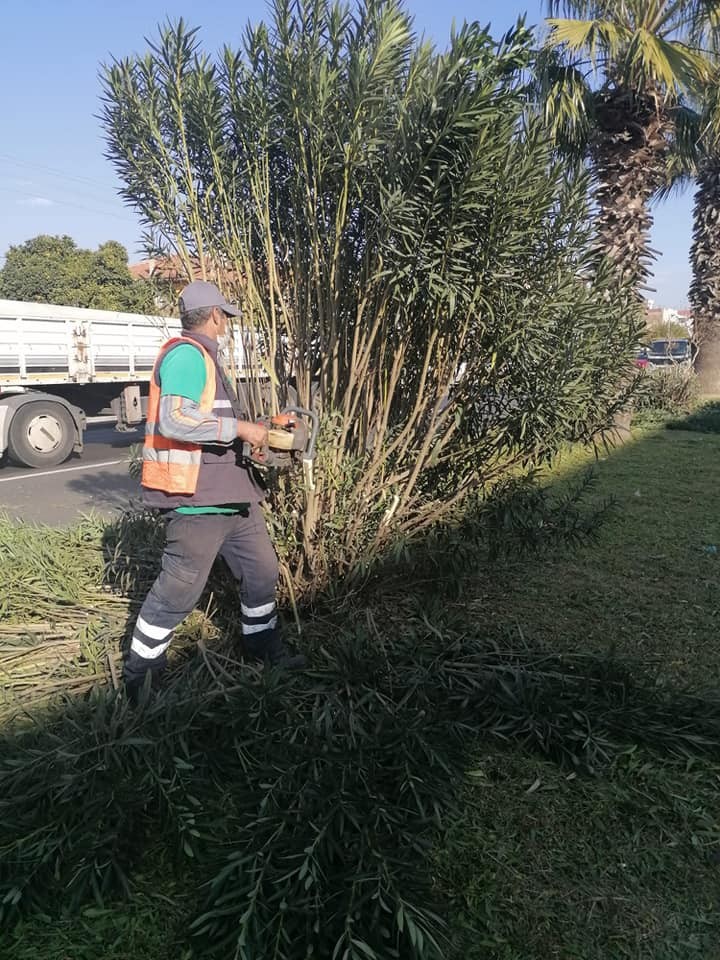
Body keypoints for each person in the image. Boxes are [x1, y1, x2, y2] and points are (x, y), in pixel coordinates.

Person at [122, 280, 305, 697]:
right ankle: (141, 677)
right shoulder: (187, 356)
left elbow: (209, 427)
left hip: (235, 500)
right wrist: (241, 428)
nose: (226, 325)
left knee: (262, 572)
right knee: (177, 592)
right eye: (225, 318)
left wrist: (254, 439)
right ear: (216, 316)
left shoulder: (205, 358)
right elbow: (175, 420)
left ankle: (259, 644)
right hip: (196, 503)